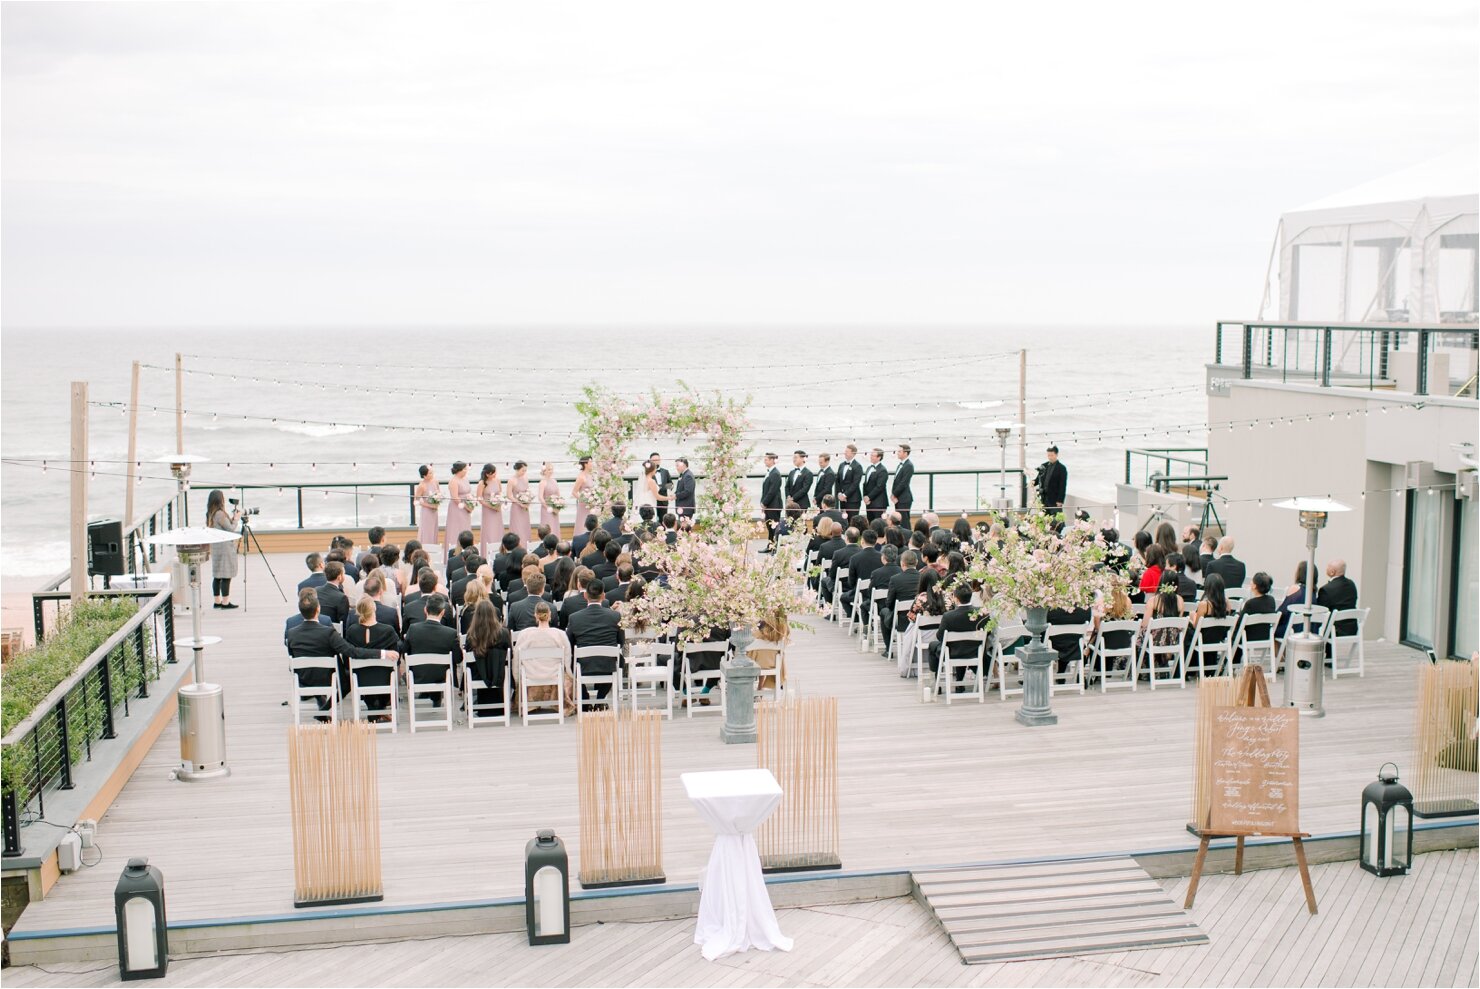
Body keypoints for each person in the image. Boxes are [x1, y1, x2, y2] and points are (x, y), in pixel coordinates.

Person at [287, 591, 397, 712]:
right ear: (318, 609)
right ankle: (326, 709)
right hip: (329, 678)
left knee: (351, 674)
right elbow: (351, 651)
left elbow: (291, 657)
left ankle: (372, 710)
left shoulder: (291, 633)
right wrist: (382, 653)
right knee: (349, 678)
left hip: (302, 679)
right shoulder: (328, 632)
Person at [565, 578, 625, 703]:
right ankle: (600, 698)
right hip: (608, 663)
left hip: (582, 664)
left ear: (585, 595)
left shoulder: (575, 618)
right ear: (603, 596)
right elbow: (621, 641)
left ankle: (585, 697)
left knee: (570, 661)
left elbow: (568, 643)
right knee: (619, 659)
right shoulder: (615, 616)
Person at [514, 601, 578, 716]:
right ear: (550, 615)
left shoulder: (524, 634)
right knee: (569, 677)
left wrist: (517, 680)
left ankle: (530, 704)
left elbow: (516, 660)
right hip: (554, 676)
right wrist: (569, 674)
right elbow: (567, 660)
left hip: (531, 676)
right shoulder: (560, 634)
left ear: (535, 615)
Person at [345, 596, 404, 712]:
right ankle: (378, 711)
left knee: (367, 675)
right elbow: (396, 660)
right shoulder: (388, 630)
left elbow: (348, 659)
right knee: (387, 673)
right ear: (374, 609)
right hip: (384, 679)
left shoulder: (352, 631)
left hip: (360, 679)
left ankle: (374, 710)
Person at [404, 594, 464, 706]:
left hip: (418, 676)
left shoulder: (413, 629)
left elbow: (406, 653)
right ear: (442, 612)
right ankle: (436, 697)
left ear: (425, 610)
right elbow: (458, 658)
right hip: (443, 677)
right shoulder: (450, 633)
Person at [927, 583, 988, 681]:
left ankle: (936, 678)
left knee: (933, 645)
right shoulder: (982, 613)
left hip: (953, 653)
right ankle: (959, 682)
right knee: (959, 644)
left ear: (955, 598)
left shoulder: (948, 616)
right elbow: (987, 632)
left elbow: (940, 636)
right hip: (975, 651)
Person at [464, 599, 512, 710]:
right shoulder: (503, 633)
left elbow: (467, 657)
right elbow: (510, 655)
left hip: (478, 675)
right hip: (499, 675)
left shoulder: (471, 635)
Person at [899, 568, 948, 675]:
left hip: (924, 636)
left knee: (911, 627)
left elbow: (911, 617)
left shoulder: (921, 598)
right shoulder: (947, 596)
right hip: (943, 635)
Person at [205, 489, 241, 608]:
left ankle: (217, 601)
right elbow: (230, 529)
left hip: (216, 547)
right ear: (220, 500)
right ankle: (225, 602)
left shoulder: (210, 513)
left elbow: (222, 526)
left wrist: (231, 518)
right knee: (226, 575)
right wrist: (236, 519)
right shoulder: (220, 513)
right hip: (225, 547)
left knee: (217, 575)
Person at [1187, 573, 1231, 667]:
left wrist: (1192, 616)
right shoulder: (1226, 603)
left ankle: (1189, 665)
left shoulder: (1204, 605)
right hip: (1218, 637)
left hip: (1203, 638)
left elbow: (1197, 626)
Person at [1315, 559, 1360, 636]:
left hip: (1334, 631)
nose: (1326, 568)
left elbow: (1320, 610)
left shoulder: (1326, 589)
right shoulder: (1352, 584)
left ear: (1332, 572)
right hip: (1352, 629)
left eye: (1328, 567)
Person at [444, 462, 474, 556]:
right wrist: (466, 507)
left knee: (465, 528)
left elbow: (468, 493)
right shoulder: (454, 481)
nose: (466, 471)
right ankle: (455, 553)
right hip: (457, 509)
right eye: (464, 469)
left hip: (466, 508)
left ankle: (467, 552)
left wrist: (471, 503)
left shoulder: (465, 479)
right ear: (459, 470)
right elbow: (455, 497)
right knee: (456, 529)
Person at [1276, 560, 1309, 640]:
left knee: (1273, 631)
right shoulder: (1313, 592)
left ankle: (1279, 653)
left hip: (1293, 629)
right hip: (1307, 629)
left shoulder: (1296, 589)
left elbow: (1282, 611)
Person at [476, 463, 505, 554]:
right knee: (489, 530)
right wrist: (491, 506)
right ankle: (487, 552)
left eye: (495, 472)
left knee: (498, 529)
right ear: (487, 474)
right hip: (488, 510)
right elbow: (479, 498)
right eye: (493, 473)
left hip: (497, 510)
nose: (495, 475)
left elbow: (500, 493)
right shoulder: (482, 483)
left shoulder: (497, 480)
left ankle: (499, 550)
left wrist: (499, 503)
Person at [415, 465, 442, 551]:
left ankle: (433, 549)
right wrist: (430, 505)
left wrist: (438, 500)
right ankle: (425, 549)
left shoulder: (435, 481)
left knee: (434, 530)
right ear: (424, 475)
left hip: (434, 511)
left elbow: (439, 493)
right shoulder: (422, 486)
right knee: (426, 531)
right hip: (426, 511)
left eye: (432, 472)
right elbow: (416, 501)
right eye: (430, 473)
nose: (432, 474)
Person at [316, 561, 351, 626]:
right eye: (344, 574)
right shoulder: (342, 597)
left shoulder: (316, 590)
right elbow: (343, 623)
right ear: (339, 577)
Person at [759, 452, 783, 545]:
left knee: (774, 527)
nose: (765, 461)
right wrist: (762, 502)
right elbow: (765, 490)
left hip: (774, 505)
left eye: (766, 459)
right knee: (769, 527)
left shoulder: (775, 473)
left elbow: (772, 491)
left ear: (772, 460)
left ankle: (775, 546)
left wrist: (764, 502)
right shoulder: (769, 472)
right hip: (768, 505)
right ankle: (770, 545)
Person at [508, 460, 533, 545]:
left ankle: (526, 545)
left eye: (525, 470)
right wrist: (519, 503)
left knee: (525, 527)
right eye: (523, 470)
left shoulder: (525, 478)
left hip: (525, 507)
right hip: (516, 508)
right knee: (517, 528)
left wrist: (528, 500)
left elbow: (528, 491)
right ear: (517, 469)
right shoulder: (511, 480)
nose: (524, 472)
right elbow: (509, 495)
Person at [1037, 445, 1067, 513]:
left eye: (1052, 455)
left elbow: (1063, 485)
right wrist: (1033, 482)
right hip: (1044, 498)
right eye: (1048, 455)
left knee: (1056, 519)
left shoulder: (1062, 468)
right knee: (1043, 518)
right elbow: (1038, 478)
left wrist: (1060, 500)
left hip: (1055, 499)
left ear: (1056, 455)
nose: (1050, 457)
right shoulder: (1044, 465)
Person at [835, 444, 863, 516]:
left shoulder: (858, 466)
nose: (845, 453)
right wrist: (839, 493)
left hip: (853, 499)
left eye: (847, 451)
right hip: (842, 499)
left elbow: (855, 483)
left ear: (853, 453)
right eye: (845, 451)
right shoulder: (841, 465)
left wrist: (845, 495)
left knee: (852, 519)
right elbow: (838, 480)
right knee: (843, 519)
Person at [861, 448, 888, 520]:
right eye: (871, 455)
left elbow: (879, 487)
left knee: (879, 524)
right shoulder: (869, 468)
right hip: (869, 502)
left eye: (873, 455)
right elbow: (865, 483)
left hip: (879, 503)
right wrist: (865, 496)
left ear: (879, 457)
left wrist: (869, 497)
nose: (871, 457)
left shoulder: (883, 470)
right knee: (870, 522)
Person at [891, 444, 915, 527]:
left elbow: (903, 483)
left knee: (904, 521)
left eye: (899, 451)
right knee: (899, 521)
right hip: (899, 497)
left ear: (905, 453)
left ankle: (908, 537)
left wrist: (894, 494)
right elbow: (896, 481)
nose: (897, 453)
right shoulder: (901, 464)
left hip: (904, 498)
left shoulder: (908, 465)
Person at [571, 457, 596, 535]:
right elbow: (574, 492)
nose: (592, 464)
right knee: (582, 523)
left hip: (591, 504)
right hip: (583, 505)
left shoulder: (590, 475)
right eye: (590, 462)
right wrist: (584, 500)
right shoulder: (581, 477)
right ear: (585, 464)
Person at [538, 462, 563, 540]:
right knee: (548, 526)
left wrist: (558, 506)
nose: (551, 471)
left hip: (555, 509)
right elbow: (540, 497)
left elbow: (558, 495)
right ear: (544, 471)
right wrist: (548, 507)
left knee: (555, 527)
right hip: (546, 510)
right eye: (549, 469)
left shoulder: (554, 481)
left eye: (551, 469)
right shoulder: (542, 482)